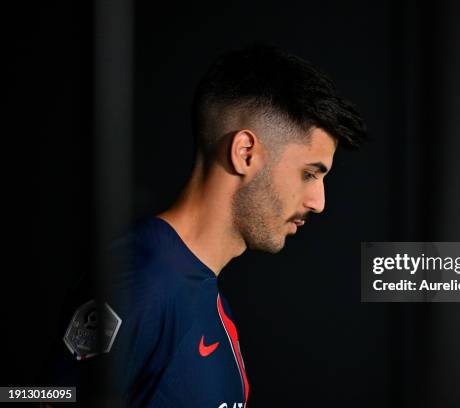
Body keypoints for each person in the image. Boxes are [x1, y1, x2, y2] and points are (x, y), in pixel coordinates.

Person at [47, 44, 366, 407]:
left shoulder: (200, 288)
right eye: (309, 174)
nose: (319, 202)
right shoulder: (139, 280)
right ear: (245, 152)